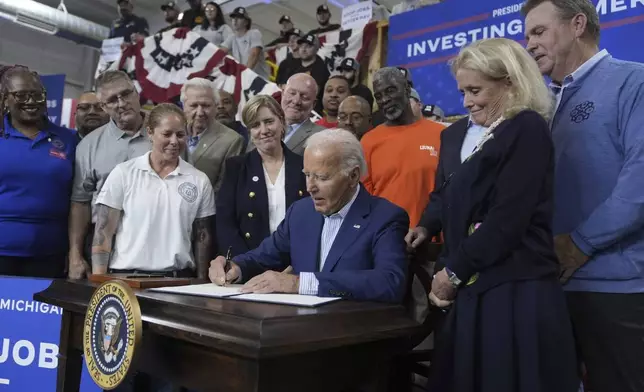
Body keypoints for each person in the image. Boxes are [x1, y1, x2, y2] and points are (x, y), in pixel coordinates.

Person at [405, 37, 578, 392]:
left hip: (513, 295)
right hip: (485, 290)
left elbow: (508, 219)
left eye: (475, 90)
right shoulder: (497, 133)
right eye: (462, 91)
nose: (466, 101)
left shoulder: (526, 127)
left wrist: (451, 274)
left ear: (511, 82)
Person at [524, 1, 644, 390]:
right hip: (551, 283)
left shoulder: (634, 82)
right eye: (527, 35)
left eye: (538, 32)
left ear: (578, 24)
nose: (529, 44)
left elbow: (639, 182)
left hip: (615, 285)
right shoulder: (541, 105)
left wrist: (580, 244)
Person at [209, 128, 408, 303]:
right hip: (300, 331)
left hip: (354, 333)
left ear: (353, 176)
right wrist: (235, 267)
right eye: (307, 175)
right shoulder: (301, 212)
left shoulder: (385, 217)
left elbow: (390, 282)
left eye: (322, 177)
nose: (310, 187)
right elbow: (263, 257)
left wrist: (299, 283)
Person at [92, 103, 214, 279]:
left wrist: (202, 282)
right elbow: (103, 232)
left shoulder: (199, 180)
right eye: (166, 134)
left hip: (178, 280)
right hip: (125, 279)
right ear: (150, 133)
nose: (174, 141)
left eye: (180, 135)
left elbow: (203, 238)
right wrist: (99, 281)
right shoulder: (124, 173)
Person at [68, 71, 151, 279]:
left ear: (136, 93)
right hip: (103, 241)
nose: (122, 103)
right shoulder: (89, 145)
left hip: (155, 238)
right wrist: (75, 255)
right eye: (112, 100)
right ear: (104, 107)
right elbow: (81, 203)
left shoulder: (165, 131)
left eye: (126, 94)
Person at [0, 66, 77, 278]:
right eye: (21, 95)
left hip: (51, 254)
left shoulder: (69, 139)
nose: (31, 101)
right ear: (5, 99)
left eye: (37, 95)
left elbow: (78, 198)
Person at [216, 95, 308, 257]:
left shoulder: (304, 166)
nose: (264, 130)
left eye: (269, 121)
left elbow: (314, 221)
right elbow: (225, 224)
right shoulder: (236, 167)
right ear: (249, 132)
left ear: (282, 122)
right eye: (255, 125)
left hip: (295, 264)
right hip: (249, 265)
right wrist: (246, 264)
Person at [361, 67, 445, 228]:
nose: (385, 99)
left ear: (407, 90)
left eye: (390, 91)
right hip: (386, 239)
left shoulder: (442, 134)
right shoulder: (368, 141)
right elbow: (365, 201)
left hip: (434, 239)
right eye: (379, 96)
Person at [181, 78, 245, 195]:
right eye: (194, 105)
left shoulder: (232, 141)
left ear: (215, 107)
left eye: (206, 105)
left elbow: (223, 189)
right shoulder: (171, 133)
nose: (200, 112)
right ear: (184, 106)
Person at [221, 7, 270, 80]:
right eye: (233, 18)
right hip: (244, 78)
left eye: (239, 18)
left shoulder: (254, 33)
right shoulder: (231, 37)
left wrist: (244, 75)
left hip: (259, 79)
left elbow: (254, 55)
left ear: (246, 22)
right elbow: (220, 52)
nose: (235, 20)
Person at [281, 73, 325, 155]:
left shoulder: (321, 136)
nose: (296, 101)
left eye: (304, 97)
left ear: (314, 104)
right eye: (292, 93)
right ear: (282, 94)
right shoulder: (262, 126)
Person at [295, 33, 330, 115]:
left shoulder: (320, 67)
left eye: (308, 46)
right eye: (301, 46)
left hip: (312, 114)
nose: (303, 49)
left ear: (317, 49)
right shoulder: (296, 67)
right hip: (297, 111)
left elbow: (313, 92)